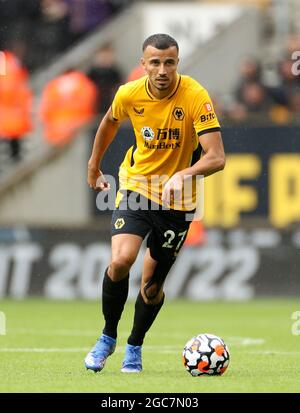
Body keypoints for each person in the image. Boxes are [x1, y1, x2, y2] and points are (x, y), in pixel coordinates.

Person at [85, 33, 225, 373]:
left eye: (170, 62)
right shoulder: (128, 93)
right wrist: (94, 165)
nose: (163, 70)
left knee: (151, 287)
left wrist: (185, 174)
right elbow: (109, 123)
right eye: (155, 63)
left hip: (178, 201)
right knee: (121, 261)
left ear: (177, 63)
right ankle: (107, 336)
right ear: (143, 64)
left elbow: (217, 157)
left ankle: (135, 345)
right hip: (136, 185)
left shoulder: (194, 95)